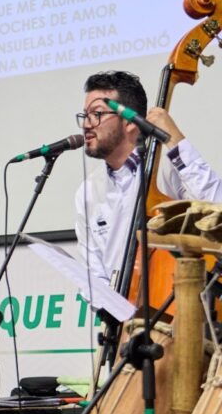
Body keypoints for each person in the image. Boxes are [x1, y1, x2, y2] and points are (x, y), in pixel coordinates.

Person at [75, 70, 222, 287]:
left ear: (129, 121)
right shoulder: (87, 190)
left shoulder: (167, 166)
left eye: (97, 114)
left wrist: (175, 140)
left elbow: (217, 205)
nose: (87, 124)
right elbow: (93, 275)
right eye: (85, 115)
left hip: (178, 299)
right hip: (120, 306)